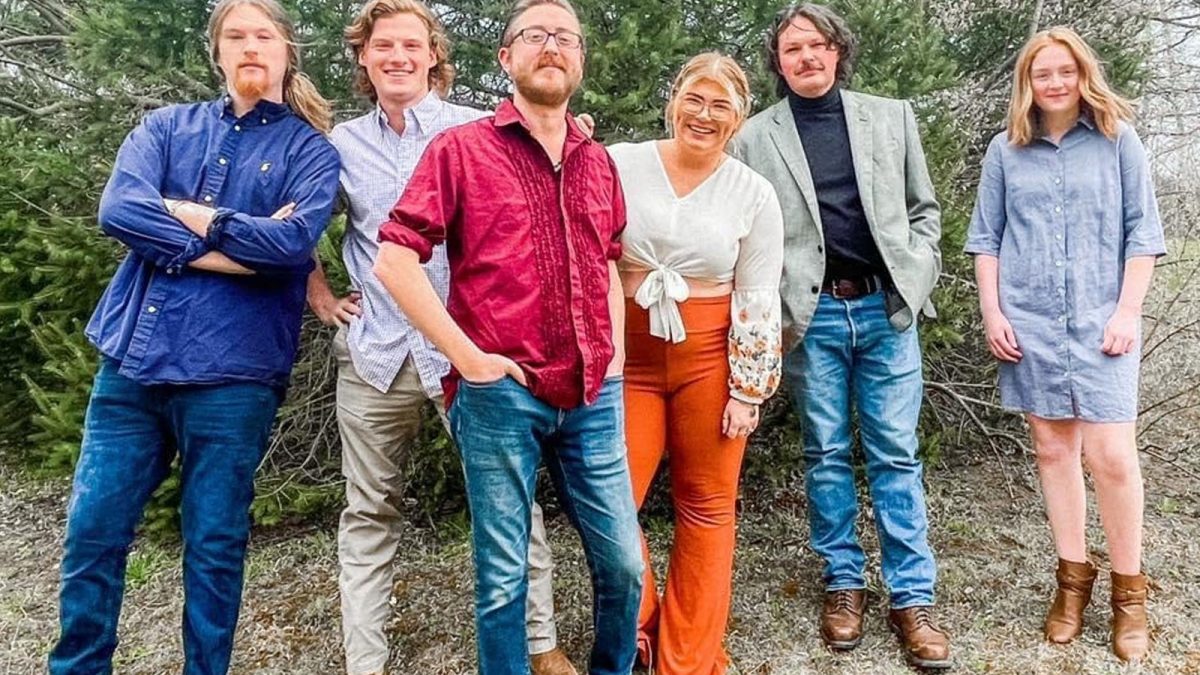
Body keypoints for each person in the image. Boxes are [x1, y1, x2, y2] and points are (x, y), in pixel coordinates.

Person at [47, 1, 341, 673]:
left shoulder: (309, 151)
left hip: (233, 375)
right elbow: (120, 209)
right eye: (235, 35)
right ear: (217, 51)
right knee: (92, 534)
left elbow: (292, 244)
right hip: (131, 364)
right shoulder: (165, 127)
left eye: (263, 35)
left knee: (213, 545)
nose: (250, 46)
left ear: (287, 51)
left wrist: (182, 212)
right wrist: (235, 250)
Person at [372, 1, 643, 673]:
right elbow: (394, 260)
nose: (552, 47)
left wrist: (615, 359)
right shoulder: (461, 150)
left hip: (593, 394)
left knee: (625, 564)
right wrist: (467, 358)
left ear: (580, 60)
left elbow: (609, 261)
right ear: (506, 57)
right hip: (500, 396)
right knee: (502, 578)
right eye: (535, 35)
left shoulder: (597, 161)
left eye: (566, 38)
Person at [304, 2, 574, 672]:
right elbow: (296, 224)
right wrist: (320, 295)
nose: (398, 57)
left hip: (466, 354)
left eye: (411, 45)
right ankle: (365, 661)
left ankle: (540, 643)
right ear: (363, 57)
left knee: (510, 504)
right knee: (368, 512)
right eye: (383, 46)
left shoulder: (481, 129)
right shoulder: (341, 145)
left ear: (433, 56)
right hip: (375, 355)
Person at [731, 3, 950, 669]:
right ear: (778, 62)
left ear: (837, 51)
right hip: (812, 316)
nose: (807, 56)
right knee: (825, 452)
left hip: (886, 310)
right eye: (793, 48)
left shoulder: (891, 117)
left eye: (818, 45)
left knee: (895, 455)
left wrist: (917, 273)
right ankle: (844, 583)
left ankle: (912, 598)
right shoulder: (754, 137)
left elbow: (923, 210)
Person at [965, 26, 1165, 663]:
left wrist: (1127, 312)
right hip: (1031, 325)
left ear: (1083, 75)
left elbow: (1143, 235)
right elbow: (986, 239)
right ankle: (1072, 584)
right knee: (1054, 450)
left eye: (1065, 71)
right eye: (1042, 73)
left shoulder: (1117, 140)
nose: (1054, 83)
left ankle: (1129, 596)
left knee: (1113, 458)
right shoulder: (1006, 150)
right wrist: (993, 311)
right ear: (1027, 82)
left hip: (1105, 326)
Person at [607, 53, 783, 675]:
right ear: (674, 101)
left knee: (708, 507)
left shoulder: (753, 192)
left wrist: (748, 390)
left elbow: (758, 294)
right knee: (609, 502)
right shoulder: (622, 163)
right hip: (626, 357)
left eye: (720, 106)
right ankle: (636, 626)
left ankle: (687, 655)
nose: (704, 115)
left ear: (739, 118)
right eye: (694, 99)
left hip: (709, 359)